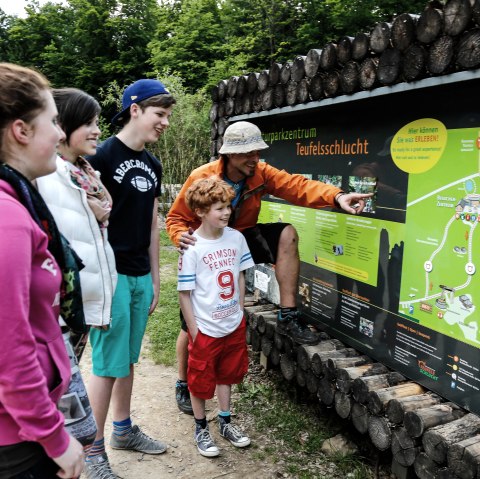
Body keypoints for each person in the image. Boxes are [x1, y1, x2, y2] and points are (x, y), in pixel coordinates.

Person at [166, 120, 373, 414]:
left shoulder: (261, 173)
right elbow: (175, 219)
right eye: (248, 153)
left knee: (286, 233)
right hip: (207, 244)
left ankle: (288, 315)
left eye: (258, 152)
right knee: (191, 324)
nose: (255, 159)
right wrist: (181, 238)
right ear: (230, 155)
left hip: (240, 237)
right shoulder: (202, 178)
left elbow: (298, 186)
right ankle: (183, 382)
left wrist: (337, 197)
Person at [85, 79, 176, 478]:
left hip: (140, 274)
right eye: (161, 114)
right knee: (106, 365)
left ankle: (122, 430)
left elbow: (154, 225)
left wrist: (156, 278)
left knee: (127, 359)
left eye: (168, 116)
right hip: (109, 274)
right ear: (135, 109)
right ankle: (90, 451)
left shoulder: (153, 164)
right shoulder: (100, 155)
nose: (166, 123)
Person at [0, 63, 84, 478]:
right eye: (53, 121)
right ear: (21, 130)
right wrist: (54, 438)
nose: (60, 134)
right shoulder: (7, 218)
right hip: (15, 440)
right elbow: (8, 346)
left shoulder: (17, 203)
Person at [36, 88, 118, 466]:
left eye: (97, 122)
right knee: (57, 387)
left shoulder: (88, 174)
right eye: (88, 123)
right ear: (63, 127)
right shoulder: (47, 177)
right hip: (59, 305)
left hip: (83, 302)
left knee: (68, 383)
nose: (97, 130)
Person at [177, 176, 255, 457]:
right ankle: (201, 427)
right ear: (200, 211)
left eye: (228, 206)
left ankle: (225, 421)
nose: (226, 212)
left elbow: (241, 275)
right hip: (206, 328)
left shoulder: (236, 238)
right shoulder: (192, 246)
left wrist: (241, 309)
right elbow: (184, 294)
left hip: (232, 323)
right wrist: (195, 332)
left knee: (226, 374)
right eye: (219, 208)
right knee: (199, 379)